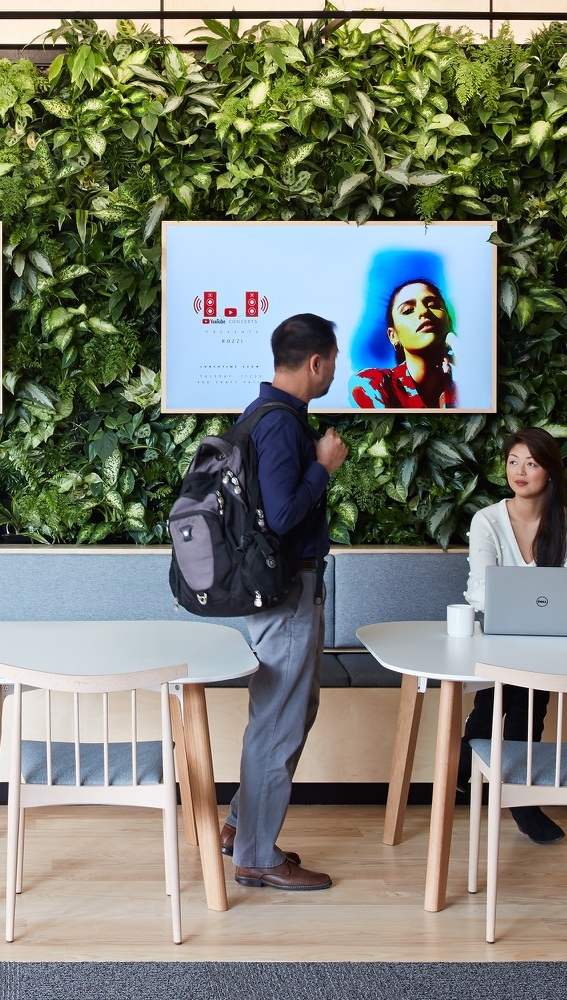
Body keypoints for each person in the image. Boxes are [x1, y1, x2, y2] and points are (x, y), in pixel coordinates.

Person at [219, 313, 349, 891]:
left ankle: (241, 827)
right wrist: (323, 467)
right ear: (316, 362)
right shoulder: (279, 424)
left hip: (284, 589)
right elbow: (283, 515)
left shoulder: (266, 414)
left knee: (282, 714)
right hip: (287, 590)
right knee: (278, 722)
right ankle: (256, 856)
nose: (335, 371)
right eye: (334, 361)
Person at [460, 427, 567, 844]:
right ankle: (521, 801)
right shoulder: (487, 520)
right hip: (497, 634)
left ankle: (473, 745)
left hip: (551, 640)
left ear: (549, 471)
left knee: (518, 694)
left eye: (531, 463)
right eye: (513, 461)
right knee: (526, 696)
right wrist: (533, 605)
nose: (519, 471)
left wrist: (528, 606)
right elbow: (480, 589)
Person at [349, 279, 459, 409]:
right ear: (393, 336)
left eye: (433, 305)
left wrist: (458, 347)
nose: (424, 311)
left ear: (449, 322)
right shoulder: (375, 385)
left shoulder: (464, 391)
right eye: (408, 310)